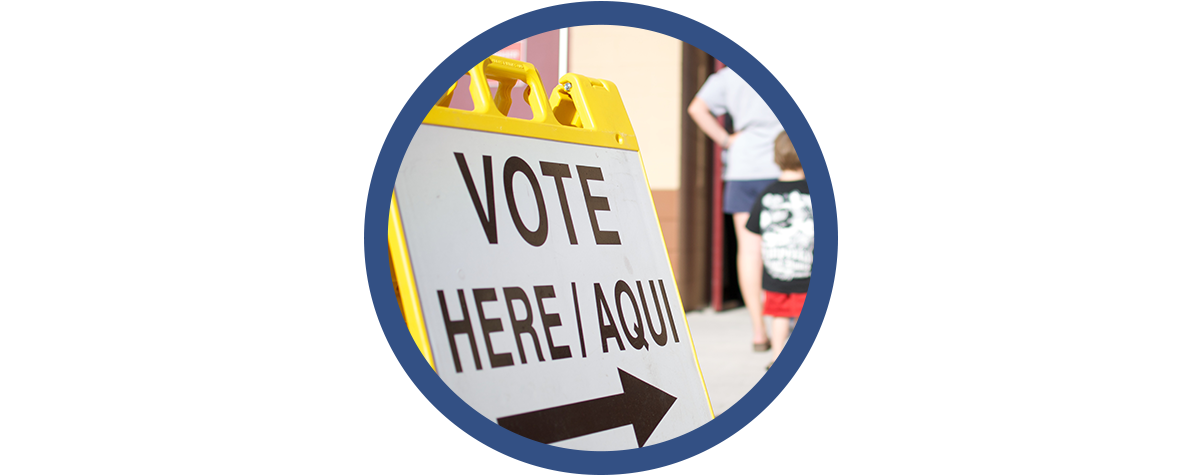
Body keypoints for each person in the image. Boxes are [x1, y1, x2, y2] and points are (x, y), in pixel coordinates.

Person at [687, 67, 784, 351]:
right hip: (782, 167)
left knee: (749, 250)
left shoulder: (730, 76)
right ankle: (783, 319)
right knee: (782, 246)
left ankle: (758, 331)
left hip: (743, 169)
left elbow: (696, 108)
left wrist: (727, 140)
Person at [745, 131, 813, 369]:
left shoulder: (766, 194)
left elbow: (753, 230)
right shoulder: (814, 191)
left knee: (780, 317)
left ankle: (777, 357)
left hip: (775, 273)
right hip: (807, 271)